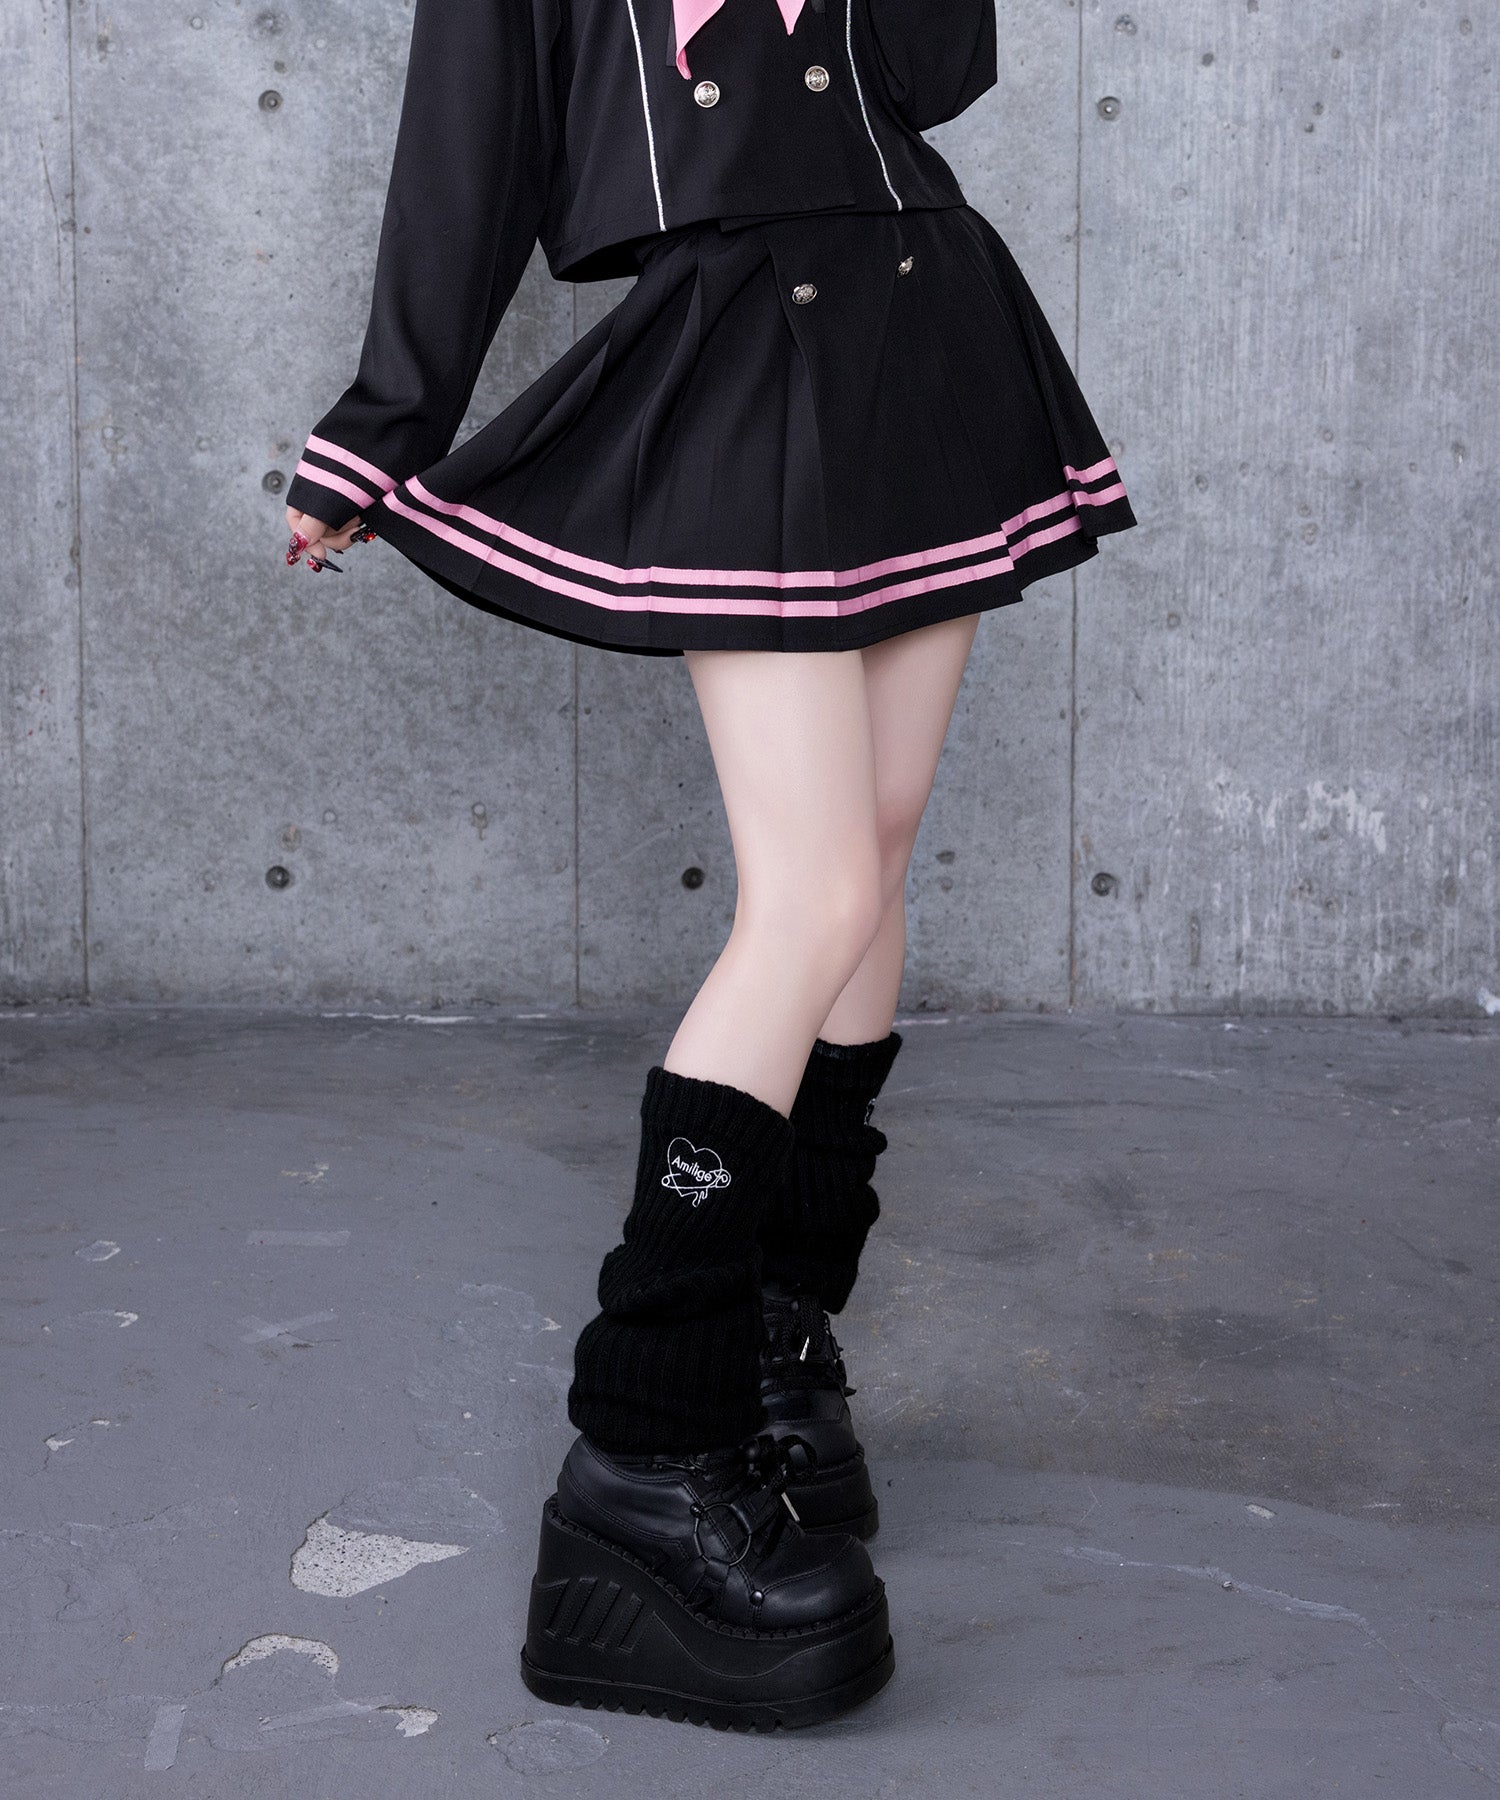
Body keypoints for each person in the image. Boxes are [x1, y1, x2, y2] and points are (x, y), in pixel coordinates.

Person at [283, 0, 1137, 1730]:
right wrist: (385, 424)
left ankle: (776, 1338)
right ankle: (643, 1453)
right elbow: (465, 162)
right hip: (741, 350)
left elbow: (938, 75)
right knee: (814, 893)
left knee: (873, 854)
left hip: (922, 315)